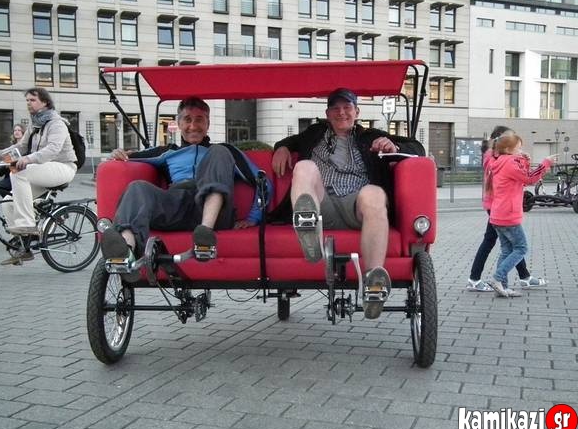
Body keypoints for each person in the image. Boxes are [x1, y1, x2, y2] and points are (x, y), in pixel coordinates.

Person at [271, 88, 425, 319]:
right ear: (327, 114)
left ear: (357, 112)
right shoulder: (314, 133)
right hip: (322, 205)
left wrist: (394, 147)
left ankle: (373, 282)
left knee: (375, 193)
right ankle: (309, 231)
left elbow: (418, 147)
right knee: (304, 167)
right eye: (335, 108)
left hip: (357, 205)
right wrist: (282, 148)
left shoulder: (371, 136)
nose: (341, 112)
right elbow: (289, 140)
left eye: (347, 107)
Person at [100, 97, 272, 278]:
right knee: (137, 188)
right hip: (177, 206)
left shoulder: (225, 152)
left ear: (208, 123)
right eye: (187, 119)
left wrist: (254, 217)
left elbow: (263, 181)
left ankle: (205, 236)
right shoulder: (166, 152)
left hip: (215, 213)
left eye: (199, 119)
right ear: (179, 123)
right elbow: (127, 157)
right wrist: (116, 154)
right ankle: (126, 253)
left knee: (220, 150)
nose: (193, 126)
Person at [0, 88, 78, 265]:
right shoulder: (35, 125)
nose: (28, 103)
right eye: (27, 100)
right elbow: (20, 147)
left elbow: (53, 150)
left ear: (45, 102)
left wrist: (27, 159)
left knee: (19, 172)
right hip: (43, 168)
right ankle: (24, 245)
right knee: (8, 201)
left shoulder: (56, 123)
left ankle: (26, 224)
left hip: (63, 167)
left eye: (33, 100)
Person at [466, 126, 547, 292]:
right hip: (499, 206)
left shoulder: (497, 156)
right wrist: (532, 162)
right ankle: (478, 278)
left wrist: (522, 159)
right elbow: (521, 176)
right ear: (502, 141)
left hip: (497, 205)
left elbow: (518, 172)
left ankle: (519, 278)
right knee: (505, 244)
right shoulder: (495, 157)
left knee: (508, 246)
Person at [486, 130, 556, 298]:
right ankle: (497, 278)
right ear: (508, 149)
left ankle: (502, 287)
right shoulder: (510, 163)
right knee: (521, 248)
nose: (521, 150)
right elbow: (529, 178)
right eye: (518, 148)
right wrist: (545, 163)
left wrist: (525, 160)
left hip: (498, 214)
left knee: (506, 250)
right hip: (508, 215)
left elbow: (521, 176)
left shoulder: (501, 161)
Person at [0, 123, 27, 197]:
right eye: (15, 130)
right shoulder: (13, 146)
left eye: (19, 130)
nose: (16, 132)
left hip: (21, 173)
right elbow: (8, 160)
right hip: (11, 173)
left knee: (1, 186)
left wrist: (1, 169)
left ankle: (13, 202)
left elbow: (13, 162)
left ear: (23, 132)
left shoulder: (25, 146)